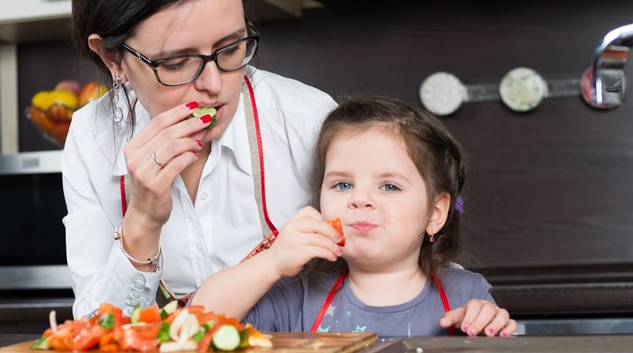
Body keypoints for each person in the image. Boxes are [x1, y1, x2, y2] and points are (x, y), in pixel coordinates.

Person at [62, 0, 336, 319]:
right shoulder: (91, 140)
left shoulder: (307, 120)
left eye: (230, 49)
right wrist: (142, 221)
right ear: (111, 57)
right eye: (177, 63)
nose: (214, 84)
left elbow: (395, 264)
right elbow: (97, 331)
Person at [191, 96, 517, 337]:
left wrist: (488, 328)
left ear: (435, 214)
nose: (360, 200)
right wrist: (272, 262)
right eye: (343, 184)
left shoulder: (466, 294)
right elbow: (194, 325)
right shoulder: (297, 294)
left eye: (389, 186)